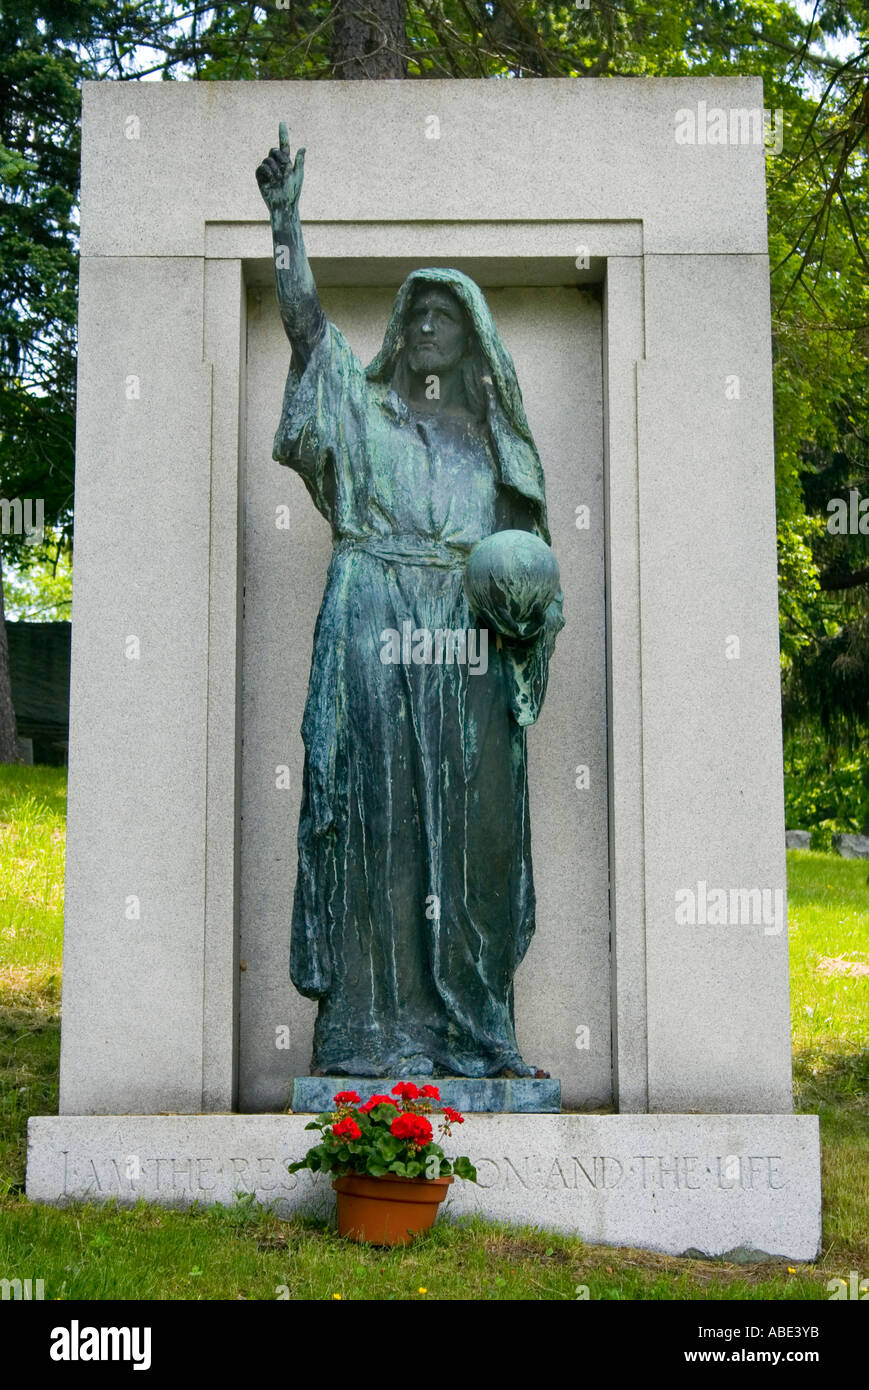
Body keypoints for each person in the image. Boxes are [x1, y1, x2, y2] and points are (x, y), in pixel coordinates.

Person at [257, 125, 563, 1079]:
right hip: (369, 616)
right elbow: (306, 326)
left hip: (462, 641)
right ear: (400, 332)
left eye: (446, 314)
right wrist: (284, 224)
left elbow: (533, 577)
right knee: (372, 815)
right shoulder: (364, 408)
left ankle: (478, 1031)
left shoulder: (494, 445)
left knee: (472, 831)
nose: (427, 324)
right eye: (415, 312)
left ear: (471, 338)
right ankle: (364, 1038)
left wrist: (522, 615)